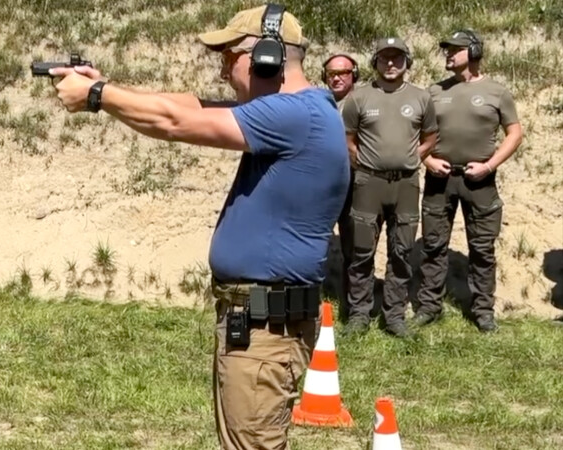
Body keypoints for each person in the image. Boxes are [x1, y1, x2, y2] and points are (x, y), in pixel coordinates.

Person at [49, 4, 350, 448]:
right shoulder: (300, 112)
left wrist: (97, 97)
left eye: (228, 59)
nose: (224, 73)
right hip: (258, 323)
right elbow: (186, 105)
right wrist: (104, 85)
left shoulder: (295, 116)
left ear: (264, 55)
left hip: (266, 329)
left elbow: (175, 123)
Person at [415, 29, 523, 332]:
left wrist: (489, 166)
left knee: (482, 248)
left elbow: (514, 133)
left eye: (456, 49)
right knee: (434, 246)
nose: (448, 54)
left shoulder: (496, 92)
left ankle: (483, 311)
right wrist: (427, 160)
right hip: (440, 179)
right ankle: (429, 307)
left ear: (473, 52)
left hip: (480, 182)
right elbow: (416, 135)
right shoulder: (434, 91)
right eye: (446, 49)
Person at [340, 37, 438, 337]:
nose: (391, 64)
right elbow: (348, 139)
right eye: (385, 58)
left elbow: (431, 136)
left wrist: (413, 158)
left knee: (402, 250)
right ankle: (359, 314)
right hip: (368, 183)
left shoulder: (422, 98)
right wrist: (365, 165)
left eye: (397, 58)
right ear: (375, 63)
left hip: (406, 183)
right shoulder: (359, 98)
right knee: (361, 251)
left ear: (407, 62)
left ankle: (394, 315)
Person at [322, 53, 360, 314]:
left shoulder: (363, 102)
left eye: (343, 73)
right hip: (322, 186)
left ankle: (352, 306)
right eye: (331, 74)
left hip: (355, 184)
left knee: (354, 247)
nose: (336, 78)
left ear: (354, 75)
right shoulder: (318, 103)